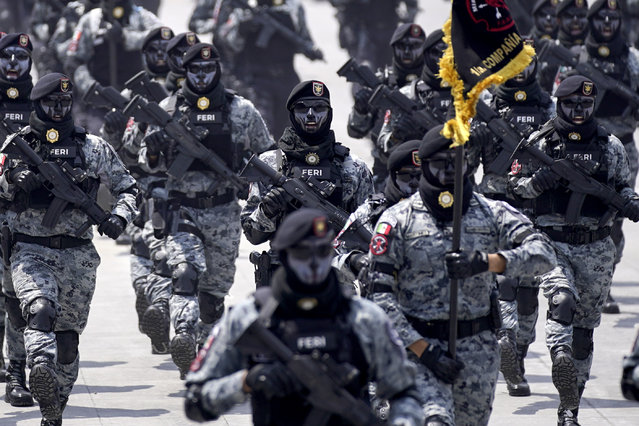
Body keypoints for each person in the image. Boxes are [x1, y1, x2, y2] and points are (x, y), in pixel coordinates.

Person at [367, 125, 556, 425]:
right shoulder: (396, 221)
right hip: (417, 350)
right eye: (440, 165)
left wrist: (488, 262)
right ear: (424, 165)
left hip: (476, 352)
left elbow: (544, 255)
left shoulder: (492, 212)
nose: (449, 173)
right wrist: (422, 350)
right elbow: (379, 296)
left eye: (457, 163)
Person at [183, 208, 425, 426]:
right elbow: (196, 402)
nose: (313, 263)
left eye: (321, 252)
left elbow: (405, 393)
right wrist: (247, 381)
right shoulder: (251, 318)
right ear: (286, 256)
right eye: (302, 253)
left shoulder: (363, 318)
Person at [0, 72, 139, 426]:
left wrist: (118, 219)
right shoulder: (17, 146)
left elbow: (129, 188)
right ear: (37, 104)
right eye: (50, 102)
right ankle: (38, 367)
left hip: (78, 255)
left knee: (68, 343)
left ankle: (54, 404)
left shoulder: (93, 147)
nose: (58, 109)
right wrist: (12, 180)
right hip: (29, 250)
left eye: (64, 102)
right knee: (40, 309)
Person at [509, 75, 639, 425]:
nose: (578, 111)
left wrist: (630, 203)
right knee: (561, 300)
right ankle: (559, 352)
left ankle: (570, 408)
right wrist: (537, 183)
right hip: (552, 242)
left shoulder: (610, 146)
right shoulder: (540, 142)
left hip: (596, 248)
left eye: (585, 104)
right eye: (571, 104)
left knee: (584, 334)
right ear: (558, 103)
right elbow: (514, 185)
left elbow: (621, 187)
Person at [139, 42, 274, 378]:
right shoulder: (168, 108)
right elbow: (144, 160)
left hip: (225, 211)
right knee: (184, 273)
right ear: (184, 72)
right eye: (194, 70)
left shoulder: (240, 110)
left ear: (218, 69)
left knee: (212, 297)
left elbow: (269, 157)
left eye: (208, 69)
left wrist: (253, 184)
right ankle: (182, 334)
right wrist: (154, 150)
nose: (201, 76)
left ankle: (199, 351)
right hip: (182, 207)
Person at [469, 49, 556, 397]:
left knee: (529, 292)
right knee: (501, 282)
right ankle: (505, 344)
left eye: (526, 65)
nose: (520, 73)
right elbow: (466, 162)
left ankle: (516, 352)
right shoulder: (485, 108)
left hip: (536, 208)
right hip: (495, 207)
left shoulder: (550, 107)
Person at [240, 80, 374, 287]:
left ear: (328, 113)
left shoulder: (354, 168)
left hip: (335, 277)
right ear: (292, 113)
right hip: (282, 277)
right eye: (302, 108)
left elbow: (368, 235)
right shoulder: (271, 163)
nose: (311, 114)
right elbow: (252, 235)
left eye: (319, 107)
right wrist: (267, 210)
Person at [578, 0, 639, 313]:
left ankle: (604, 284)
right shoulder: (578, 57)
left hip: (623, 149)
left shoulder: (632, 60)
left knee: (612, 219)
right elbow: (557, 98)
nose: (606, 23)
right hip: (584, 146)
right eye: (599, 17)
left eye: (612, 17)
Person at [217, 0, 323, 138]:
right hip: (256, 81)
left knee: (292, 132)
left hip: (287, 79)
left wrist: (311, 50)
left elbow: (304, 39)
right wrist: (243, 28)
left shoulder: (292, 8)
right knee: (262, 133)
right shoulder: (243, 9)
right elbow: (226, 44)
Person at [346, 23, 427, 191]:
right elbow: (355, 130)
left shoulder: (432, 84)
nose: (407, 52)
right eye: (401, 46)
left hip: (427, 167)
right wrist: (360, 109)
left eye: (414, 47)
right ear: (393, 48)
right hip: (386, 169)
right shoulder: (381, 83)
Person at [0, 32, 35, 408]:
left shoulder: (41, 104)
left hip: (23, 216)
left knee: (14, 298)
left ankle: (16, 375)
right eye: (6, 56)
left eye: (20, 57)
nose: (12, 63)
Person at [64, 0, 162, 133]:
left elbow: (162, 41)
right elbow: (73, 61)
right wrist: (94, 89)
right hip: (100, 104)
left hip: (138, 101)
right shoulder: (91, 21)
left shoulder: (142, 17)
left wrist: (125, 37)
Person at [329, 0, 418, 72]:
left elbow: (411, 7)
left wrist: (409, 18)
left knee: (388, 69)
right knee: (364, 70)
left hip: (388, 25)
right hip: (360, 28)